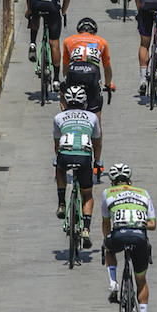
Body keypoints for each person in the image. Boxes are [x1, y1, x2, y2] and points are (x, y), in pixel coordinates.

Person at [101, 162, 156, 312]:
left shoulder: (108, 193)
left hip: (119, 235)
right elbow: (153, 224)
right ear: (130, 181)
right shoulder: (144, 193)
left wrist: (107, 240)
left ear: (112, 182)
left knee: (108, 249)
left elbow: (106, 223)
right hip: (139, 237)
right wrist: (138, 224)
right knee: (141, 280)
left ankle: (113, 283)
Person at [53, 84, 102, 247]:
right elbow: (97, 142)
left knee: (59, 168)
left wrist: (57, 158)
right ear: (84, 102)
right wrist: (97, 161)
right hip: (84, 157)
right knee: (87, 194)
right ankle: (86, 229)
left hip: (65, 154)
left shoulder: (59, 117)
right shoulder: (92, 117)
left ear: (66, 102)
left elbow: (56, 143)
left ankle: (61, 203)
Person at [61, 17, 115, 116]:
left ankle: (65, 117)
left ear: (79, 30)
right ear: (94, 31)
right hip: (92, 71)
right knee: (96, 113)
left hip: (74, 71)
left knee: (63, 94)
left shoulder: (68, 41)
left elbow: (65, 67)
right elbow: (107, 68)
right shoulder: (102, 42)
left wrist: (66, 82)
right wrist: (108, 84)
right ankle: (96, 122)